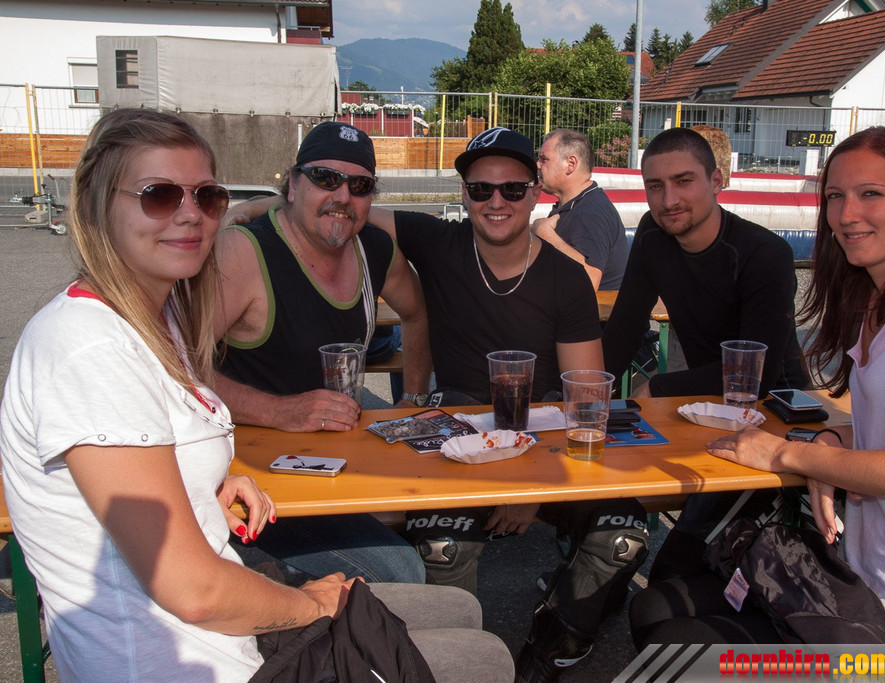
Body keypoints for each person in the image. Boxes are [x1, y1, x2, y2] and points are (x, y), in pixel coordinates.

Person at [0, 108, 514, 682]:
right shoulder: (90, 348)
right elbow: (194, 591)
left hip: (215, 616)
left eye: (207, 197)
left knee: (461, 609)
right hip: (180, 660)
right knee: (483, 655)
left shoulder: (152, 322)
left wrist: (208, 482)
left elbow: (153, 443)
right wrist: (310, 605)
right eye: (158, 195)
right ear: (98, 203)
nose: (190, 215)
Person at [631, 126, 885, 648]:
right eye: (835, 196)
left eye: (871, 194)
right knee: (654, 608)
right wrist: (832, 442)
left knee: (680, 651)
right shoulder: (879, 294)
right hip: (867, 583)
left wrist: (788, 454)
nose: (846, 214)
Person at [369, 127, 650, 682]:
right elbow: (346, 207)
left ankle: (553, 642)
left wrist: (531, 486)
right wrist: (262, 205)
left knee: (623, 532)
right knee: (443, 542)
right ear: (465, 194)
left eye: (513, 189)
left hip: (542, 446)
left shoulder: (566, 278)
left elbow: (585, 397)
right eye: (481, 190)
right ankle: (456, 659)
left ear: (535, 192)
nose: (496, 202)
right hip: (460, 443)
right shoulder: (439, 241)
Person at [213, 121, 427, 584]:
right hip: (244, 467)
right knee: (402, 574)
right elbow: (171, 365)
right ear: (293, 185)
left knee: (428, 500)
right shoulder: (243, 252)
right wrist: (278, 411)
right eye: (325, 178)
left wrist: (412, 399)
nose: (343, 196)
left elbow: (416, 314)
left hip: (329, 439)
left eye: (360, 186)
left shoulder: (374, 249)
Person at [602, 126, 808, 399]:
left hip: (777, 402)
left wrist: (657, 386)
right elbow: (626, 325)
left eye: (683, 181)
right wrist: (590, 388)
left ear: (716, 182)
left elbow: (755, 373)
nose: (669, 201)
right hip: (707, 399)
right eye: (656, 186)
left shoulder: (764, 253)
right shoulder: (653, 232)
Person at [532, 128, 629, 291]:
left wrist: (544, 233)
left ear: (570, 164)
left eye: (544, 159)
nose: (538, 164)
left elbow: (589, 279)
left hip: (599, 307)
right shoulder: (577, 204)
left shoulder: (590, 212)